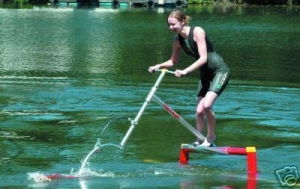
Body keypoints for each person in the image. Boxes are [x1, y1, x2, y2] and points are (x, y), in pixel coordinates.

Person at [148, 9, 230, 147]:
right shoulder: (177, 41)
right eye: (169, 25)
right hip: (205, 75)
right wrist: (158, 65)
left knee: (207, 106)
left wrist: (185, 71)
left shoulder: (197, 31)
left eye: (173, 24)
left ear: (183, 21)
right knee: (198, 112)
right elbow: (173, 61)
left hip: (219, 71)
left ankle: (210, 136)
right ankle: (199, 139)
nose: (170, 28)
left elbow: (203, 58)